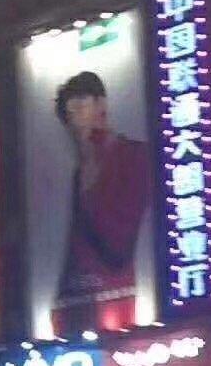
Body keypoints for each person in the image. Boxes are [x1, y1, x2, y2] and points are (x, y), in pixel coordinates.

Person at [53, 69, 149, 336]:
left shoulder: (134, 155)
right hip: (79, 308)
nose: (76, 121)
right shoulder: (80, 174)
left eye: (81, 107)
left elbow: (119, 243)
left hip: (121, 297)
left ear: (101, 105)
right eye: (70, 115)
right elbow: (75, 246)